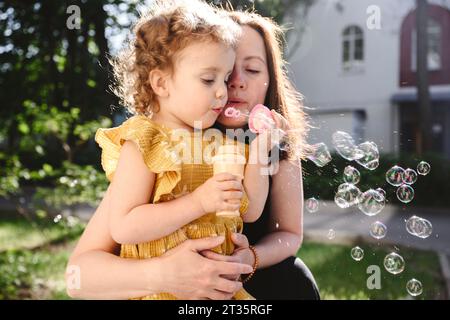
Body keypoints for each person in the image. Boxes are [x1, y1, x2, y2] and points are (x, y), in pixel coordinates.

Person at [66, 5, 320, 301]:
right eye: (211, 76)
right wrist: (162, 274)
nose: (229, 86)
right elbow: (79, 276)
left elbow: (263, 216)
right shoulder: (154, 147)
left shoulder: (245, 149)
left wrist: (262, 150)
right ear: (163, 83)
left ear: (270, 80)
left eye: (250, 69)